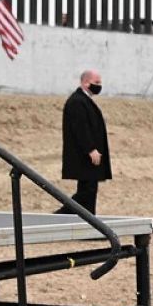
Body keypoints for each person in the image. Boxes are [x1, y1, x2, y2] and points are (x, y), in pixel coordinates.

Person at [58, 69, 110, 215]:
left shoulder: (83, 100)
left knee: (88, 189)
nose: (99, 86)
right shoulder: (77, 101)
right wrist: (91, 149)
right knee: (87, 191)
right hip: (84, 156)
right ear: (86, 82)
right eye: (96, 83)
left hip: (88, 156)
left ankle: (87, 221)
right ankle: (61, 215)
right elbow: (80, 128)